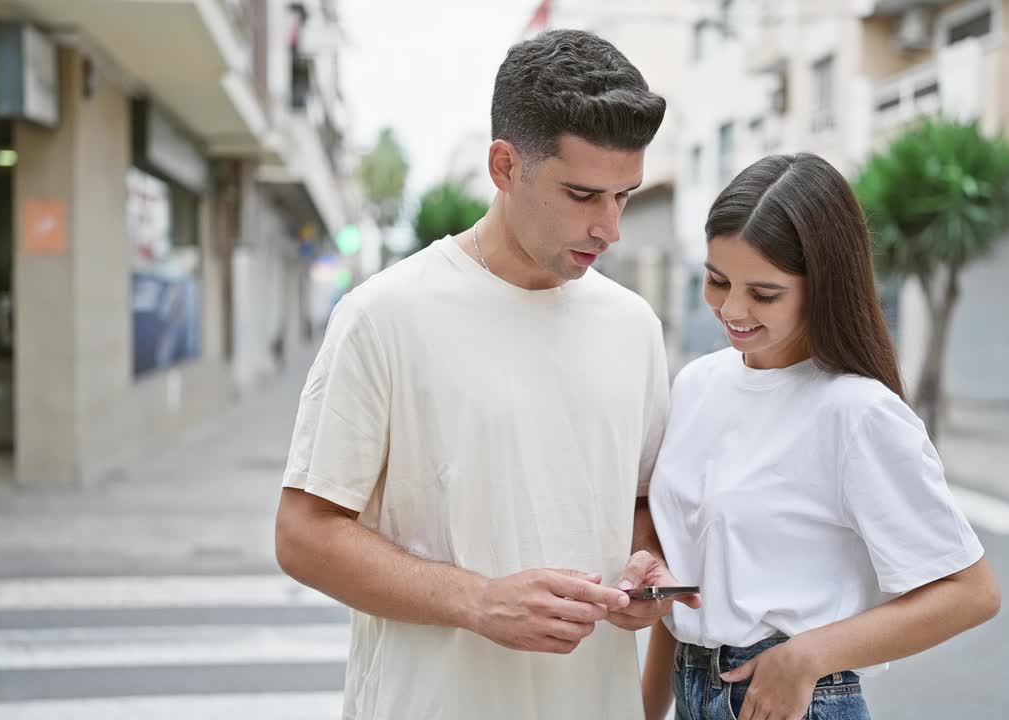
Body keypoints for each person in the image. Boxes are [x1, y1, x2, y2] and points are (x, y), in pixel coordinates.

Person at [275, 29, 698, 720]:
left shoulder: (634, 327)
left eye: (624, 195)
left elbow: (639, 503)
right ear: (505, 166)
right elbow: (303, 534)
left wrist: (644, 567)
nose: (610, 227)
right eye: (583, 194)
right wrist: (478, 601)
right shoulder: (384, 315)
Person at [641, 154, 1002, 720]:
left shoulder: (856, 412)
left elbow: (971, 592)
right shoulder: (695, 384)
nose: (731, 309)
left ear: (821, 287)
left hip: (789, 697)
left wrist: (809, 656)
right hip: (691, 685)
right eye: (716, 280)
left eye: (763, 293)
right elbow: (691, 580)